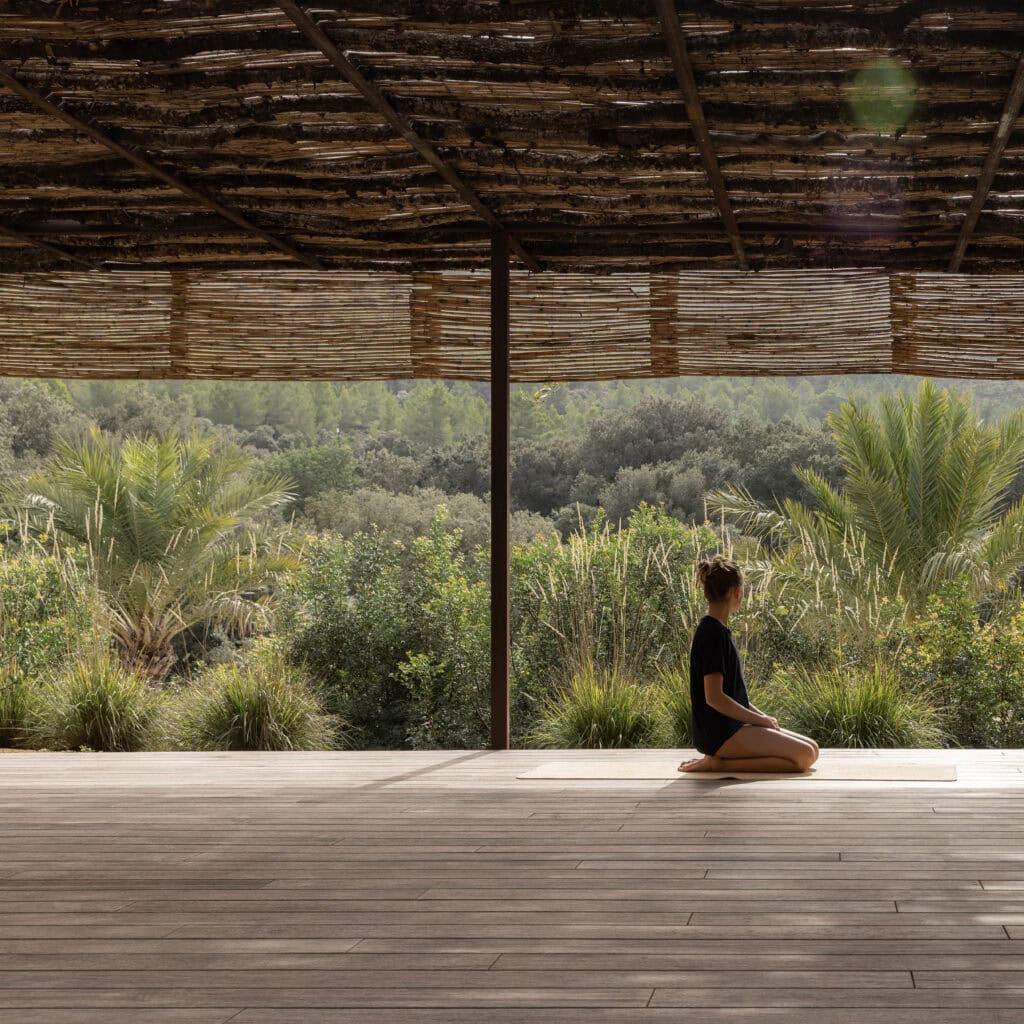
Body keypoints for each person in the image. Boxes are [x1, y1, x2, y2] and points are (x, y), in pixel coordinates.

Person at [678, 554, 819, 774]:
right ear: (737, 592)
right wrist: (759, 721)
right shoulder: (711, 634)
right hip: (719, 734)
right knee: (805, 756)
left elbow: (734, 697)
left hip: (731, 727)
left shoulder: (718, 630)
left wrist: (763, 718)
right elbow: (714, 698)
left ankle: (717, 760)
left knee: (812, 749)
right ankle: (718, 763)